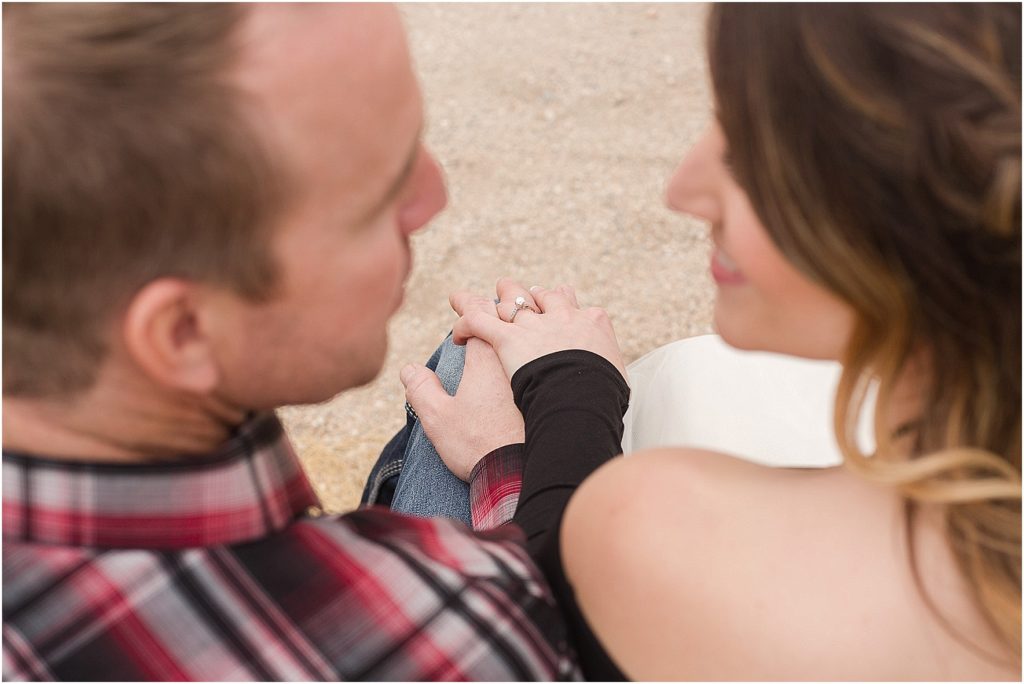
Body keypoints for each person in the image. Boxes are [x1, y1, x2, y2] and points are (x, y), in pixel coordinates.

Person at [384, 3, 1022, 680]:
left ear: (910, 199)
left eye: (749, 147)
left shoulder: (667, 524)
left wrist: (564, 394)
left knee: (468, 357)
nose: (681, 189)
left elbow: (527, 633)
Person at [1, 4, 585, 680]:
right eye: (378, 198)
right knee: (478, 361)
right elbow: (571, 620)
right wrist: (567, 404)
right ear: (185, 332)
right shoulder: (446, 637)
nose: (436, 197)